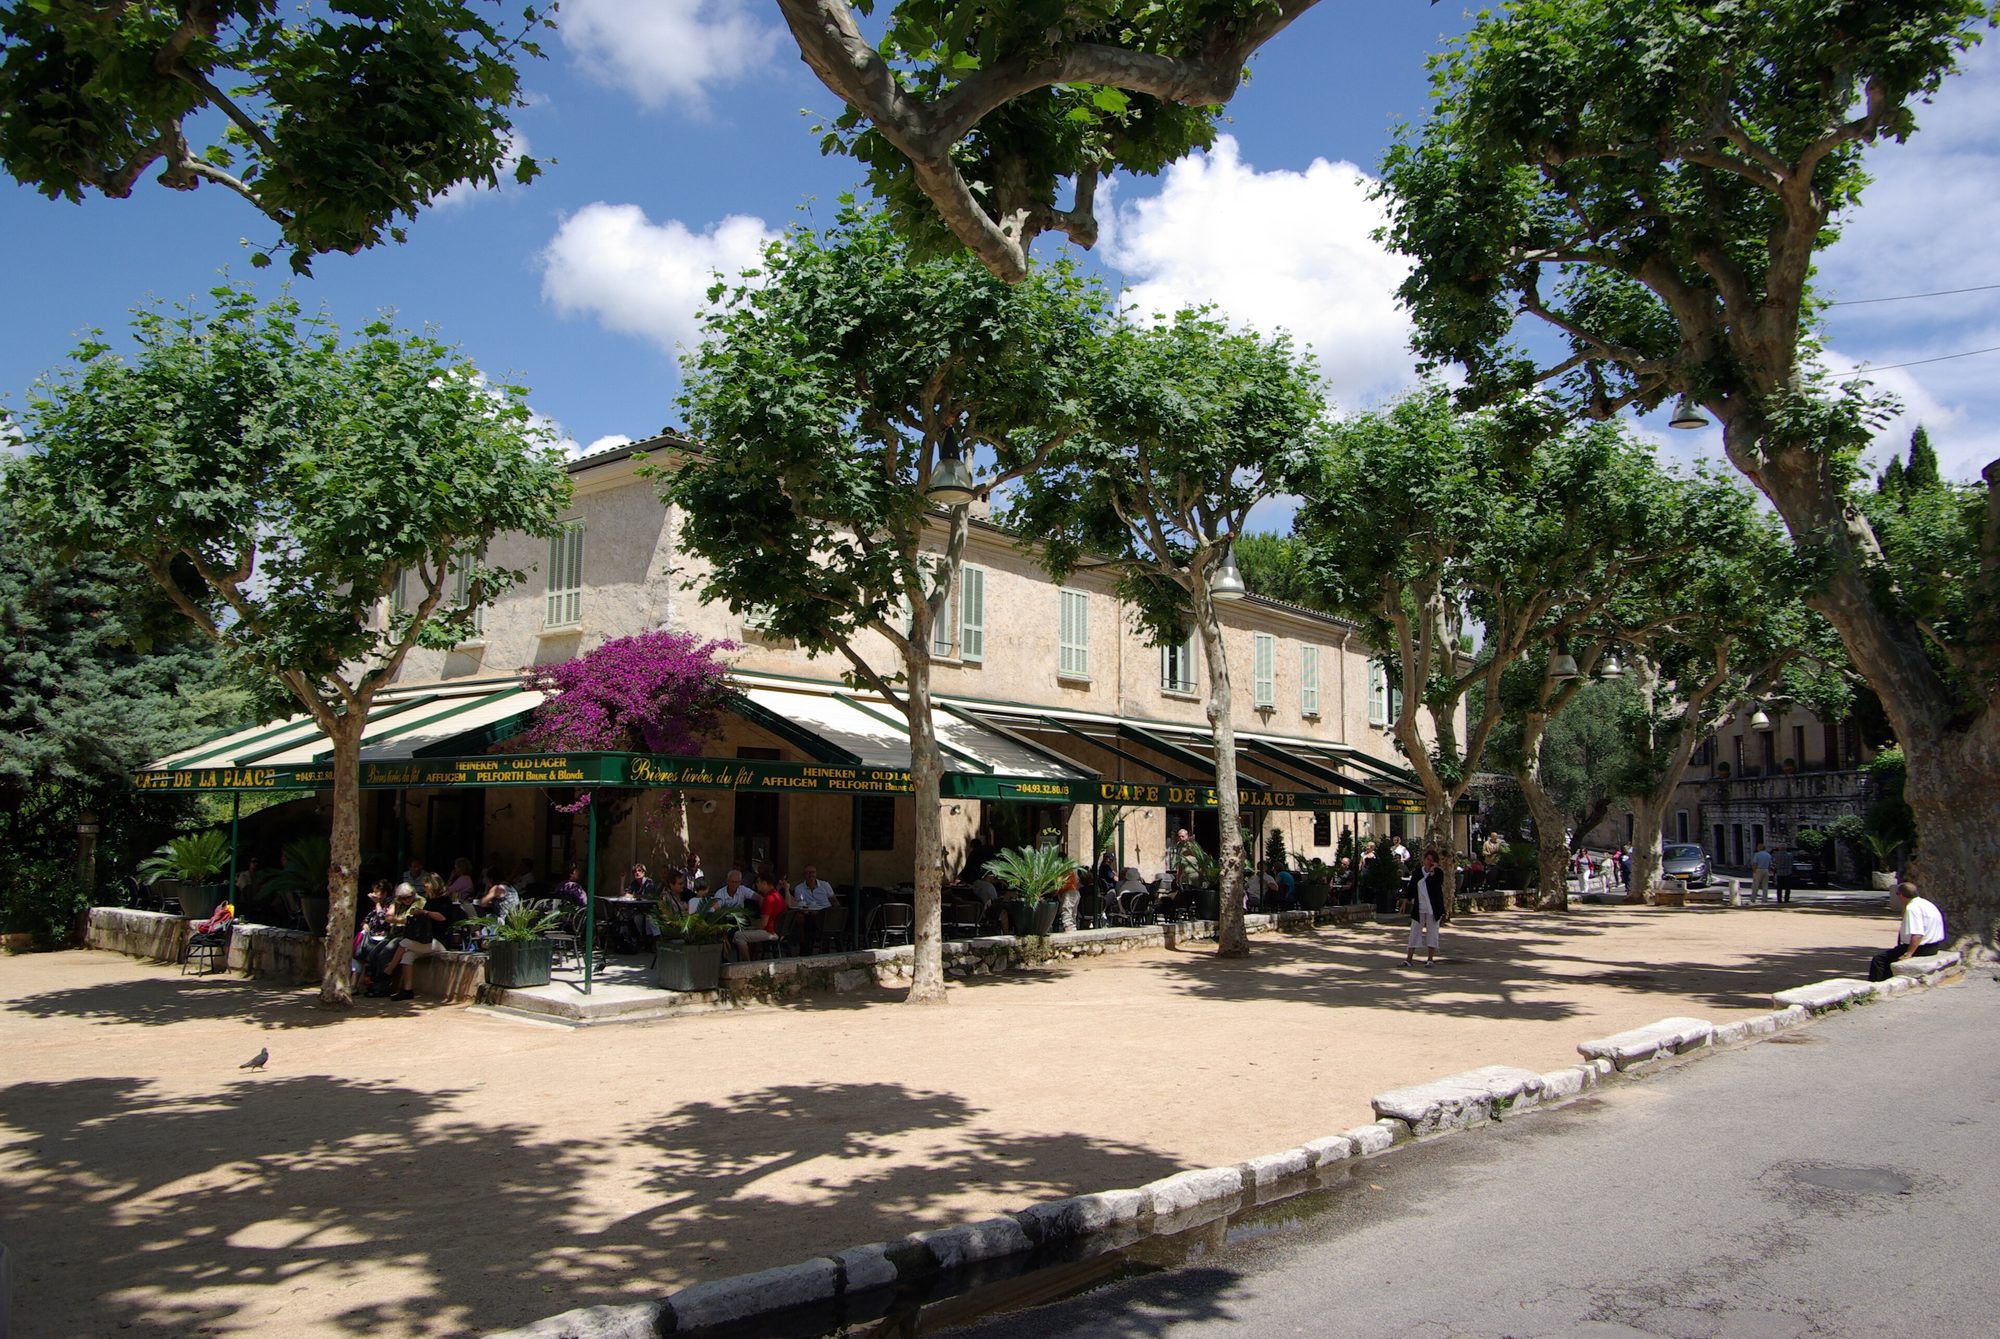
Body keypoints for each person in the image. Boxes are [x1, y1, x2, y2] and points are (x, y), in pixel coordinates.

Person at [1868, 882, 1947, 982]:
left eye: (1897, 894)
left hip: (1921, 948)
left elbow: (1917, 934)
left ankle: (1875, 985)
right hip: (1933, 946)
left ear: (1901, 895)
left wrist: (1909, 953)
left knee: (1879, 960)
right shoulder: (1926, 903)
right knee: (1890, 958)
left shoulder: (1912, 908)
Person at [1403, 848, 1444, 967]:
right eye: (1428, 859)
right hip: (1419, 907)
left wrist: (1432, 872)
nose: (1429, 862)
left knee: (1432, 932)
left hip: (1433, 908)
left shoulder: (1438, 873)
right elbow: (1411, 887)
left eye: (1432, 860)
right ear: (1424, 860)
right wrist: (1406, 901)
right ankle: (1409, 959)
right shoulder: (1418, 872)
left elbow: (1436, 887)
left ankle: (1430, 959)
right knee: (1414, 932)